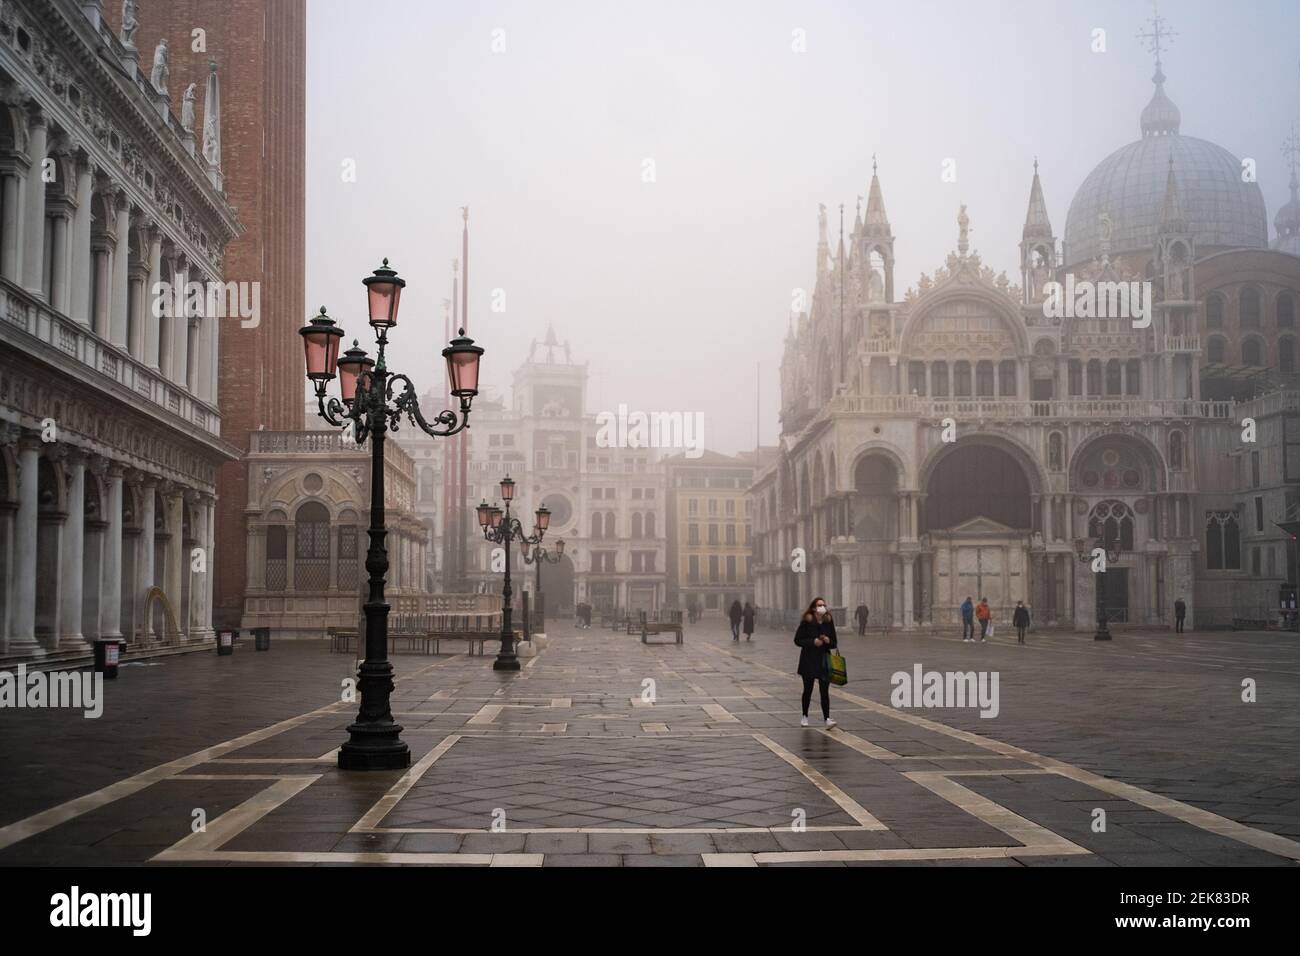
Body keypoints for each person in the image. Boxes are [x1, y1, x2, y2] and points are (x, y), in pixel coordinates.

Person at [794, 597, 837, 729]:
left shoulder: (828, 621)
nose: (822, 607)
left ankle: (827, 719)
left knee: (825, 691)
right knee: (808, 690)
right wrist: (813, 642)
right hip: (809, 659)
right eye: (819, 605)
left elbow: (835, 643)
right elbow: (798, 640)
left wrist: (829, 641)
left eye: (824, 605)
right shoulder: (807, 621)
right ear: (813, 608)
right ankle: (804, 716)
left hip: (824, 660)